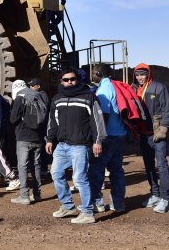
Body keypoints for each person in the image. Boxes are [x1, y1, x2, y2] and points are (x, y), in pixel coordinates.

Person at [46, 68, 106, 225]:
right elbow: (52, 121)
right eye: (66, 80)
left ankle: (87, 212)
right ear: (61, 81)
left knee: (80, 178)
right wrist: (49, 139)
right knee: (56, 173)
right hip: (62, 145)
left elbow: (97, 121)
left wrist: (97, 141)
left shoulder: (88, 97)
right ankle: (68, 206)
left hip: (80, 145)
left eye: (72, 79)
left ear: (77, 80)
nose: (69, 82)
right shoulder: (57, 99)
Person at [133, 63, 169, 213]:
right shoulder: (134, 89)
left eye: (143, 74)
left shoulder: (158, 87)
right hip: (143, 135)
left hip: (157, 134)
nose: (140, 77)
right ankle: (155, 194)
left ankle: (165, 198)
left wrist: (163, 129)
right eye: (137, 75)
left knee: (162, 166)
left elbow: (167, 110)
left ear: (148, 74)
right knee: (149, 166)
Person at [87, 64, 126, 213]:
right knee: (116, 171)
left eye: (93, 73)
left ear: (98, 73)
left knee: (96, 170)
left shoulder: (104, 89)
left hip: (108, 136)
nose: (92, 75)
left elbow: (104, 115)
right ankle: (118, 203)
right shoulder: (115, 85)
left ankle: (97, 203)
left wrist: (98, 138)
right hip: (120, 134)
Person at [8, 80, 45, 204]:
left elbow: (13, 119)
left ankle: (24, 196)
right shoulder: (38, 95)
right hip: (38, 137)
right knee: (36, 165)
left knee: (22, 166)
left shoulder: (20, 98)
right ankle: (37, 194)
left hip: (23, 137)